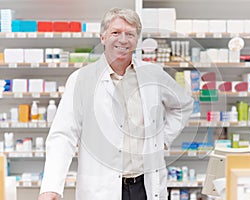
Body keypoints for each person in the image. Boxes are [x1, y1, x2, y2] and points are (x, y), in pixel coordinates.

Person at [38, 7, 193, 200]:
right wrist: (51, 187)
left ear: (137, 40)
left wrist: (163, 138)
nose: (123, 40)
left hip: (145, 186)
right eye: (115, 32)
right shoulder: (81, 79)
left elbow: (183, 104)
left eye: (130, 34)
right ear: (103, 37)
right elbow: (63, 135)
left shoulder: (153, 74)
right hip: (101, 189)